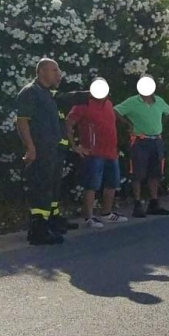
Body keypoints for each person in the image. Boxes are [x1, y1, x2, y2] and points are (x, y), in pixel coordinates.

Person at [15, 59, 89, 245]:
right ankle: (38, 230)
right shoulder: (30, 92)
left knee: (52, 186)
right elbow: (22, 121)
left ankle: (52, 221)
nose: (59, 74)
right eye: (54, 70)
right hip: (40, 150)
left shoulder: (48, 93)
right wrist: (30, 147)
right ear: (42, 71)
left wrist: (90, 94)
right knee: (40, 188)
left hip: (53, 150)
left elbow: (68, 98)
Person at [67, 86, 129, 229]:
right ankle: (89, 217)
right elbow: (68, 123)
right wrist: (75, 146)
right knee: (91, 185)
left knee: (112, 183)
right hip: (93, 153)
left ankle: (106, 213)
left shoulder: (109, 104)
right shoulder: (83, 105)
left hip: (111, 152)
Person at [115, 80, 169, 218]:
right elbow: (116, 110)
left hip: (156, 140)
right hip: (140, 141)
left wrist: (160, 124)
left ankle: (153, 203)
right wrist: (128, 124)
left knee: (155, 173)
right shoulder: (132, 101)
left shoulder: (159, 100)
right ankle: (137, 204)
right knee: (137, 173)